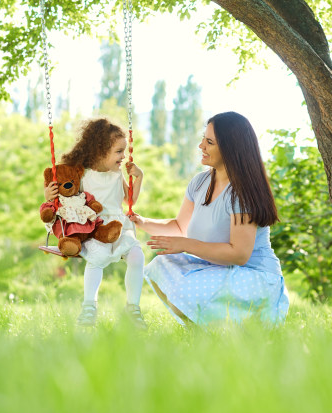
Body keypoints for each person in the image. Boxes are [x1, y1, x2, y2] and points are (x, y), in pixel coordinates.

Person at [130, 111, 289, 326]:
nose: (201, 146)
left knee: (188, 284)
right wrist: (140, 221)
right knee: (161, 265)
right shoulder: (200, 182)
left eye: (209, 142)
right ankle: (200, 330)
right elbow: (179, 226)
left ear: (231, 148)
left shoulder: (241, 193)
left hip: (253, 277)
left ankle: (220, 330)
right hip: (220, 269)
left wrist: (186, 244)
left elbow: (239, 254)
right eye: (203, 139)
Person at [44, 118, 146, 328]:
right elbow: (64, 197)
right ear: (100, 151)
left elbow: (130, 200)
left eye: (124, 151)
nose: (123, 156)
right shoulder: (83, 175)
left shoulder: (117, 174)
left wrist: (140, 177)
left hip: (119, 226)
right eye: (119, 151)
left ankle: (133, 308)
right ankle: (89, 306)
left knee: (137, 255)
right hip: (93, 227)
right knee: (96, 259)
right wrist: (48, 195)